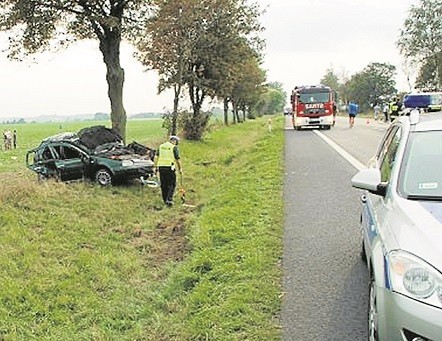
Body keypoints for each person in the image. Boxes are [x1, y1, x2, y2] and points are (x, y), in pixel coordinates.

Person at [154, 135, 183, 207]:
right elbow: (177, 159)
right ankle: (169, 199)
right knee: (172, 184)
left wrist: (155, 167)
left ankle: (165, 200)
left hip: (161, 167)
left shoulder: (161, 146)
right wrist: (180, 169)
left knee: (163, 184)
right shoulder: (174, 147)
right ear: (175, 141)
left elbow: (156, 157)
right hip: (169, 167)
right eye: (176, 142)